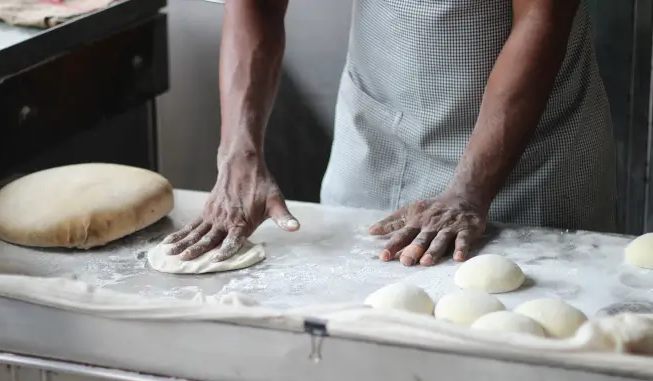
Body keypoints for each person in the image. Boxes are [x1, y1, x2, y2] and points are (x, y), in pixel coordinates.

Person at [162, 0, 616, 267]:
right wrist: (238, 154)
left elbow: (543, 15)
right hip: (376, 135)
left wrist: (469, 190)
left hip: (529, 158)